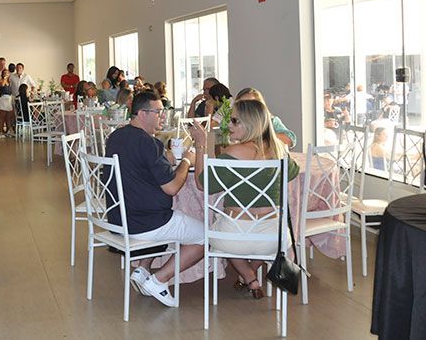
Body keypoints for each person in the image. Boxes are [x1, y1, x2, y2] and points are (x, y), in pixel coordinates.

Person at [190, 98, 298, 299]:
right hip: (274, 238)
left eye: (234, 121)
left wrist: (200, 146)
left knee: (219, 228)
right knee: (250, 237)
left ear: (250, 124)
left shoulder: (232, 153)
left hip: (234, 238)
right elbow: (292, 173)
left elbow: (202, 185)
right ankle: (249, 276)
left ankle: (248, 276)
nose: (228, 125)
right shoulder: (280, 150)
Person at [105, 91, 203, 306]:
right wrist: (187, 160)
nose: (162, 116)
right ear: (142, 114)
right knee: (205, 236)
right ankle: (159, 280)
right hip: (144, 222)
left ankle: (142, 270)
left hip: (117, 219)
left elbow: (137, 165)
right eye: (158, 112)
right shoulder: (149, 144)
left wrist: (164, 158)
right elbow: (172, 188)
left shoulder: (116, 137)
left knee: (166, 215)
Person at [0, 69, 14, 136]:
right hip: (3, 99)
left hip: (9, 99)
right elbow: (2, 85)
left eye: (7, 73)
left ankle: (8, 130)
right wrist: (5, 78)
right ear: (2, 74)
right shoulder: (1, 80)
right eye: (4, 73)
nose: (6, 74)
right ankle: (1, 131)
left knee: (8, 116)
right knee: (2, 116)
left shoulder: (9, 82)